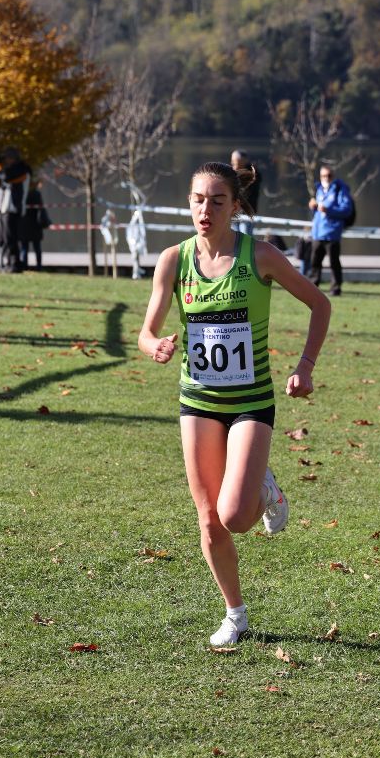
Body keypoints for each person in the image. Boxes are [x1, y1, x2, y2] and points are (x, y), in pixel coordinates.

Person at [138, 161, 331, 646]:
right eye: (198, 200)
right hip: (198, 400)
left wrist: (305, 367)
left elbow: (320, 304)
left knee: (236, 517)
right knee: (208, 518)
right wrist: (155, 345)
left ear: (235, 206)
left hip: (250, 402)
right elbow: (145, 332)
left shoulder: (260, 255)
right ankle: (235, 614)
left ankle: (265, 488)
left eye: (217, 201)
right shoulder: (173, 260)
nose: (206, 210)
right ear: (189, 203)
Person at [308, 165, 352, 296]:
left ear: (333, 176)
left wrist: (329, 210)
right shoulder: (319, 189)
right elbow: (318, 213)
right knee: (314, 262)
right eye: (323, 176)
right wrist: (313, 207)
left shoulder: (340, 189)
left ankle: (335, 288)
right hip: (318, 232)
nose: (326, 178)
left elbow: (346, 210)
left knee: (334, 263)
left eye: (329, 175)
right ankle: (312, 287)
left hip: (332, 233)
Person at [0, 147, 31, 273]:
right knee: (4, 238)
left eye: (8, 158)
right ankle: (7, 263)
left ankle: (14, 264)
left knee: (11, 238)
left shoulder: (21, 170)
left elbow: (6, 177)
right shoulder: (14, 171)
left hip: (13, 208)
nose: (6, 161)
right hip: (5, 208)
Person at [19, 181, 50, 271]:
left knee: (24, 247)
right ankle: (39, 266)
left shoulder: (22, 194)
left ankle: (24, 266)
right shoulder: (36, 194)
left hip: (24, 225)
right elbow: (41, 210)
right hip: (35, 225)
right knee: (37, 247)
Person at [230, 150, 262, 235]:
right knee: (233, 236)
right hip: (233, 211)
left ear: (244, 161)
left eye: (235, 162)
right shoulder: (231, 173)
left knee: (245, 236)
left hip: (246, 213)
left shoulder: (252, 173)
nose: (233, 164)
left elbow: (246, 192)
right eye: (232, 161)